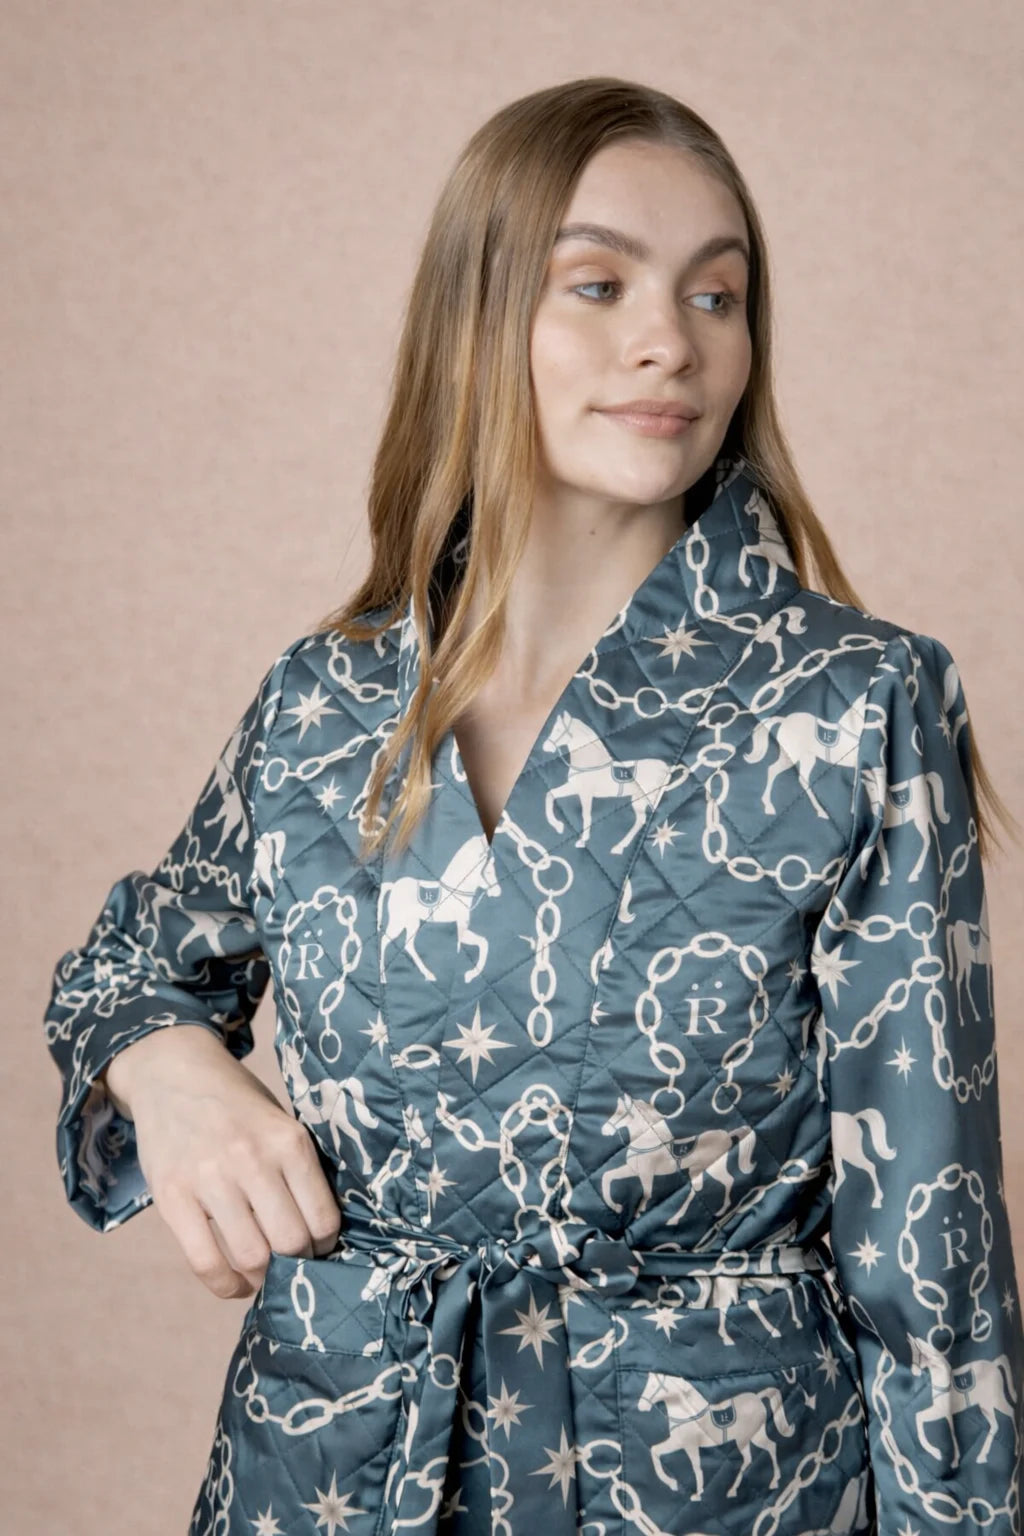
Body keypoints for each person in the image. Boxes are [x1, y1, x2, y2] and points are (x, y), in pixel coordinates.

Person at [44, 75, 1024, 1536]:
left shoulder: (854, 705)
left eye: (717, 295)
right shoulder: (325, 704)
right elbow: (125, 967)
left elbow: (930, 1240)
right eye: (599, 282)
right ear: (479, 315)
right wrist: (170, 1073)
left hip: (712, 1486)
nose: (668, 342)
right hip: (329, 1471)